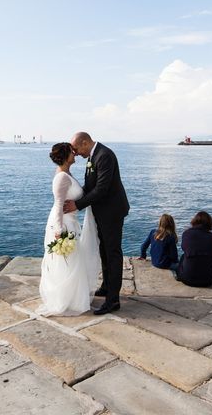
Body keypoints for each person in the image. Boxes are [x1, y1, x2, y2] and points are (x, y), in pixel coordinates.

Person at [64, 132, 129, 315]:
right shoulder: (94, 155)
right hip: (102, 212)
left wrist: (77, 204)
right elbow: (91, 186)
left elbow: (102, 189)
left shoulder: (104, 155)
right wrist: (77, 198)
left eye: (76, 149)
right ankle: (107, 286)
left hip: (112, 212)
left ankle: (113, 300)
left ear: (85, 142)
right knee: (104, 251)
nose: (75, 153)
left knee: (113, 253)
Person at [38, 143, 101, 316]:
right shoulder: (61, 178)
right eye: (72, 152)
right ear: (66, 156)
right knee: (67, 262)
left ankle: (74, 297)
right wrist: (59, 231)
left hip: (70, 221)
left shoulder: (67, 174)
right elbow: (59, 205)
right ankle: (65, 299)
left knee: (73, 261)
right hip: (63, 223)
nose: (75, 154)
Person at [176, 211, 212, 287]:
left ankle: (179, 275)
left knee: (183, 256)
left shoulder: (186, 234)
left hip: (187, 279)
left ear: (194, 221)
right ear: (209, 223)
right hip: (207, 281)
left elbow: (184, 248)